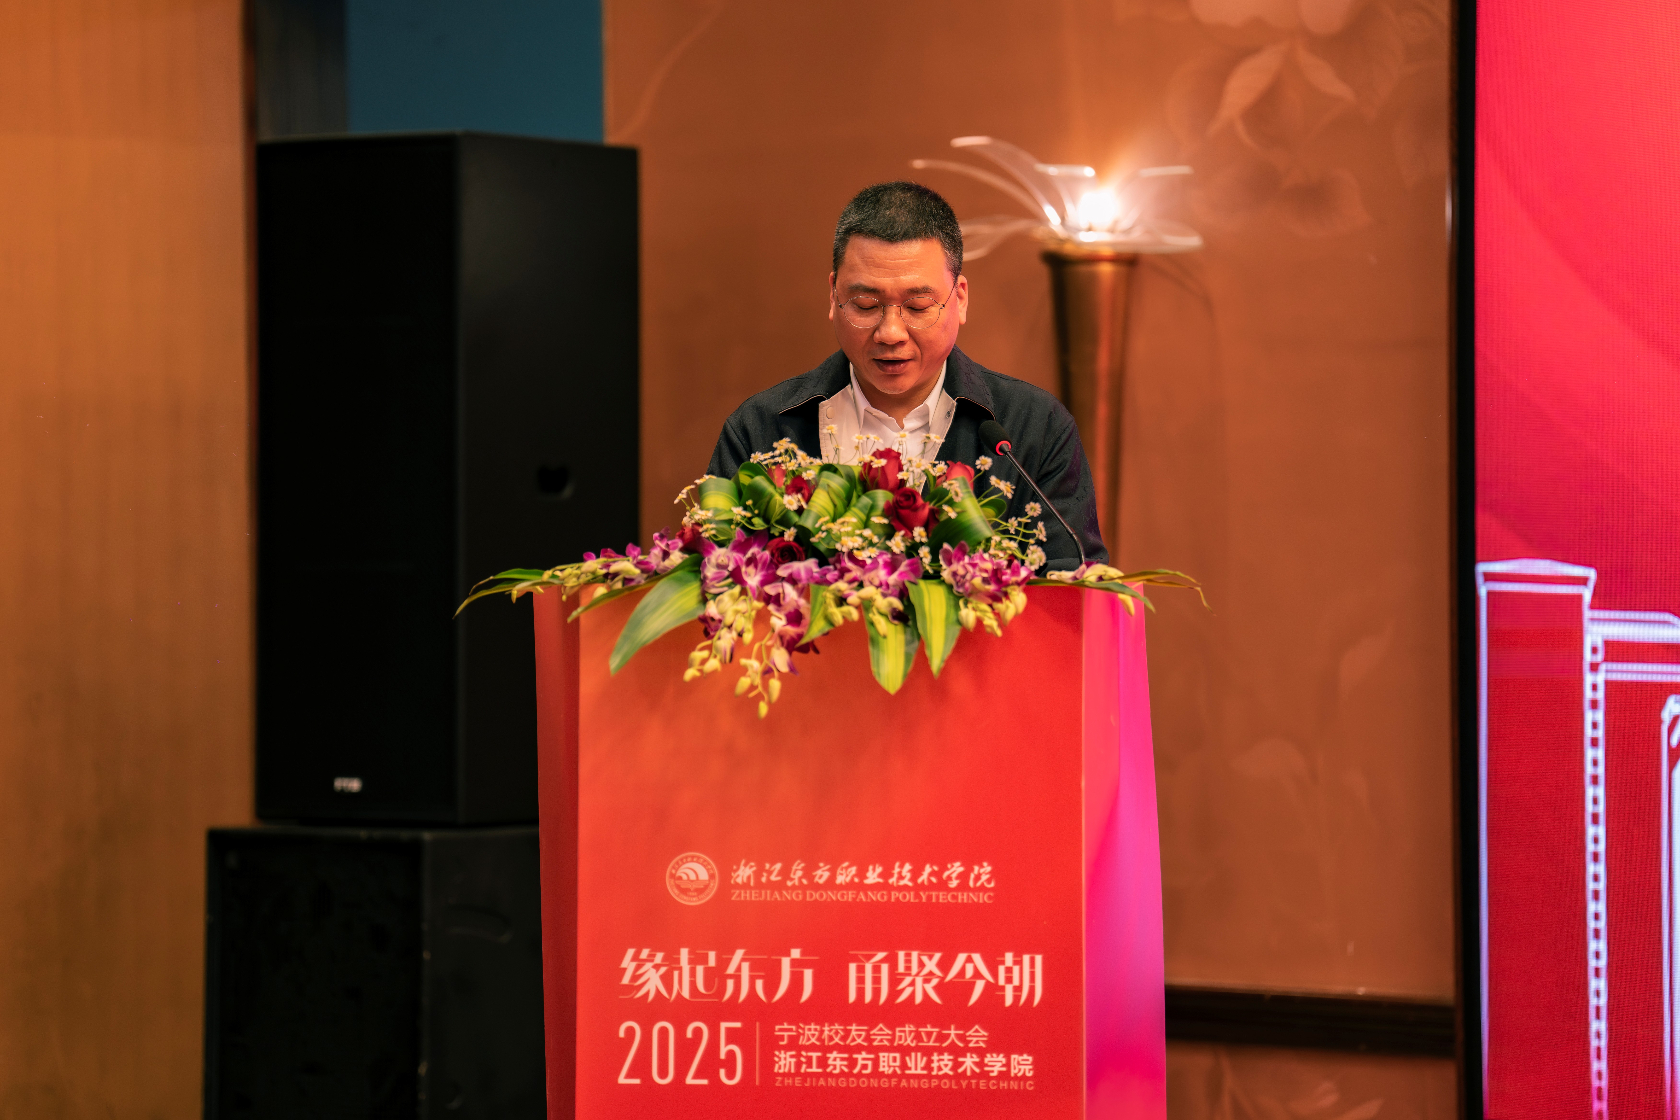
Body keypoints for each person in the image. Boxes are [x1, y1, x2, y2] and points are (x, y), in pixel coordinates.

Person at [706, 181, 1106, 570]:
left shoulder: (1033, 428)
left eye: (917, 307)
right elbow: (713, 578)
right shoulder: (761, 430)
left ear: (959, 299)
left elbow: (1077, 588)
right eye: (865, 304)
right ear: (833, 295)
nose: (891, 333)